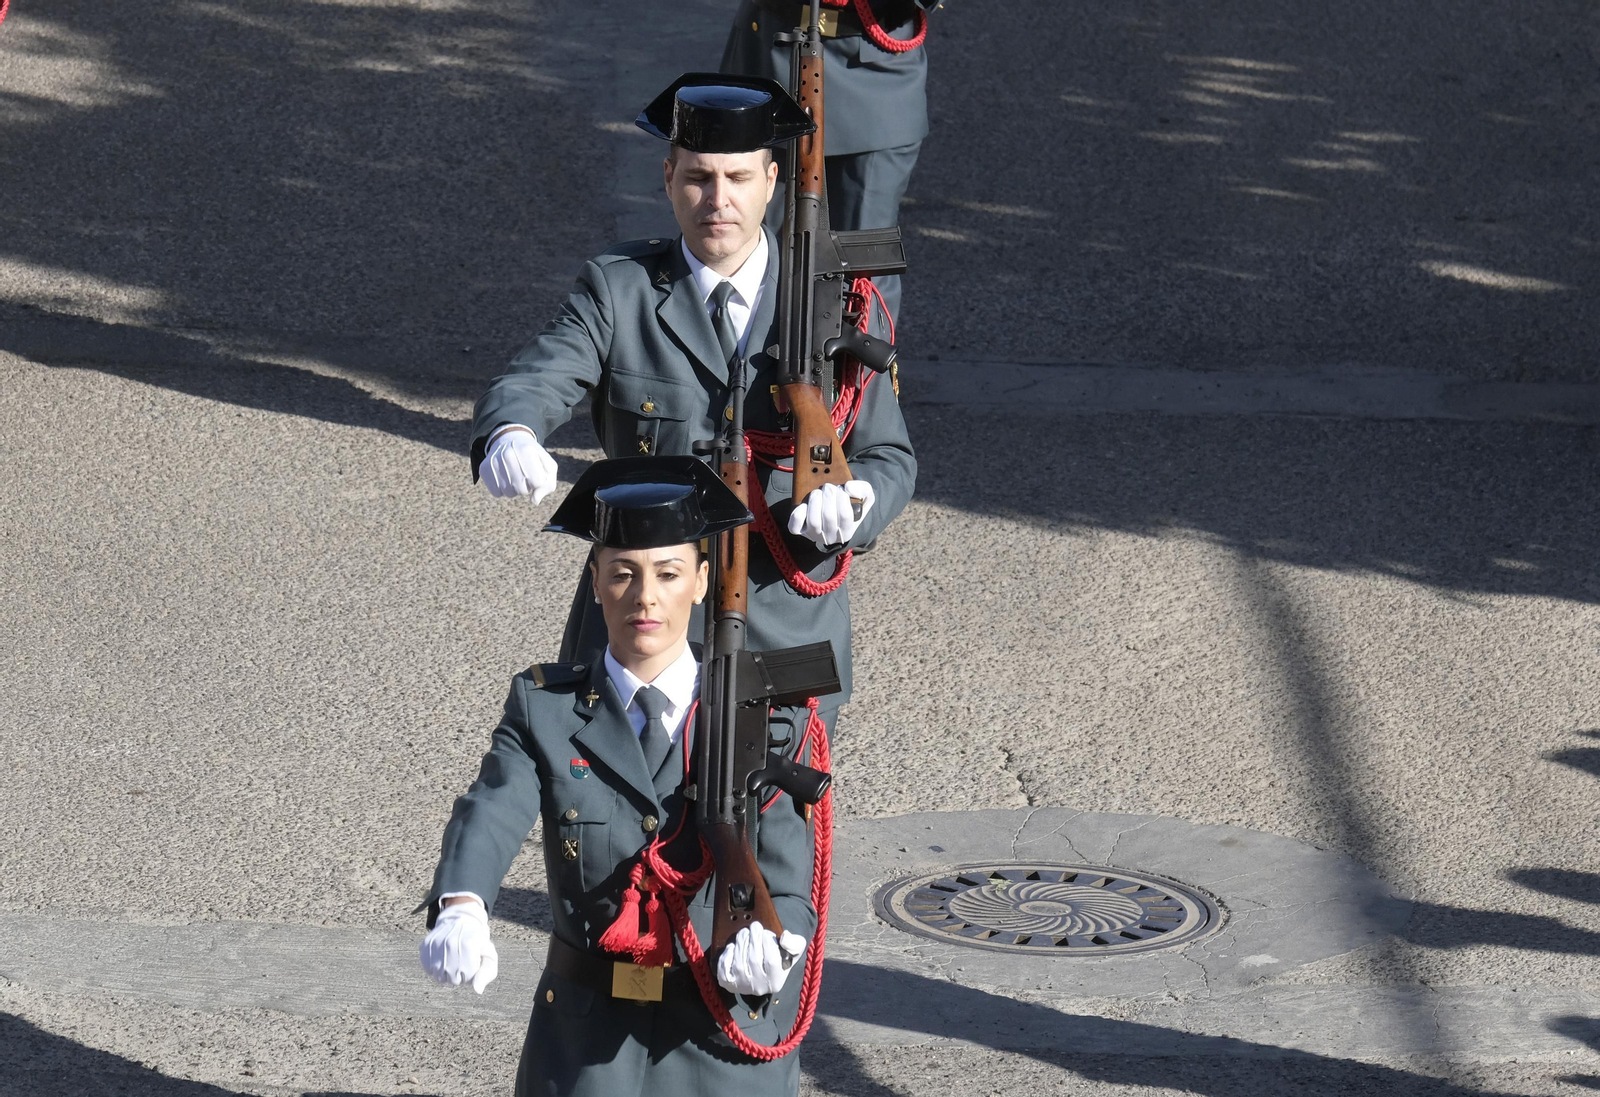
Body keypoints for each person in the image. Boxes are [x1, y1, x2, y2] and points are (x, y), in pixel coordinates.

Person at [471, 73, 916, 741]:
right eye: (698, 179)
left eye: (738, 179)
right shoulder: (618, 291)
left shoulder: (834, 308)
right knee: (623, 839)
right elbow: (541, 374)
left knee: (773, 843)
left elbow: (889, 456)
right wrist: (511, 430)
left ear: (771, 181)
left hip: (781, 634)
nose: (718, 200)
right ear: (668, 177)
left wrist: (856, 503)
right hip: (640, 630)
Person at [419, 456, 817, 1095]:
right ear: (597, 582)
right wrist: (461, 905)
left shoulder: (760, 717)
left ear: (701, 581)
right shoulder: (544, 707)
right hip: (586, 1044)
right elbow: (493, 806)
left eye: (668, 573)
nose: (645, 596)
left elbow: (791, 877)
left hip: (722, 1038)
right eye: (623, 575)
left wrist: (778, 947)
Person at [720, 0, 941, 327]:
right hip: (768, 54)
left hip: (874, 68)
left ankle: (859, 379)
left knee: (863, 270)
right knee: (748, 258)